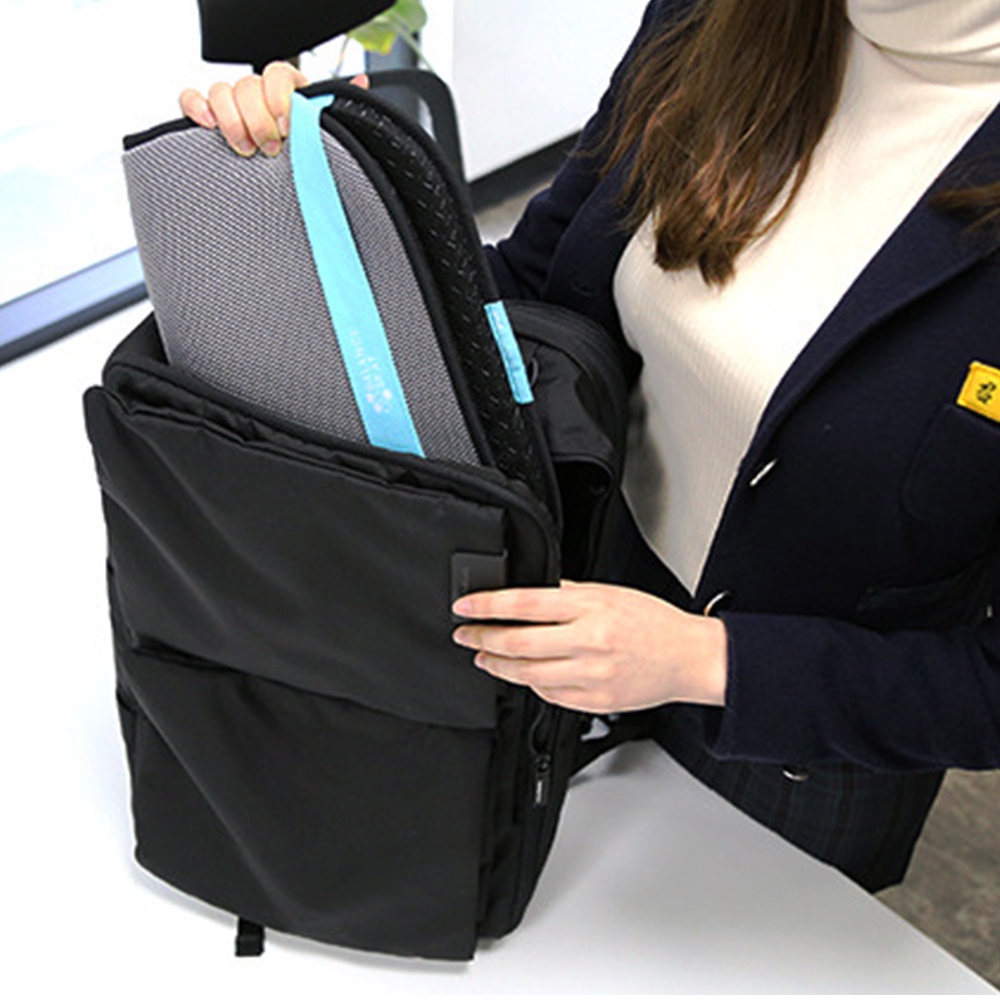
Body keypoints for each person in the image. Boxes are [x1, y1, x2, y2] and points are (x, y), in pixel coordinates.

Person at [180, 0, 1000, 891]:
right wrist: (335, 193)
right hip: (572, 600)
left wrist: (704, 661)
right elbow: (535, 287)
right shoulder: (719, 18)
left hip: (806, 736)